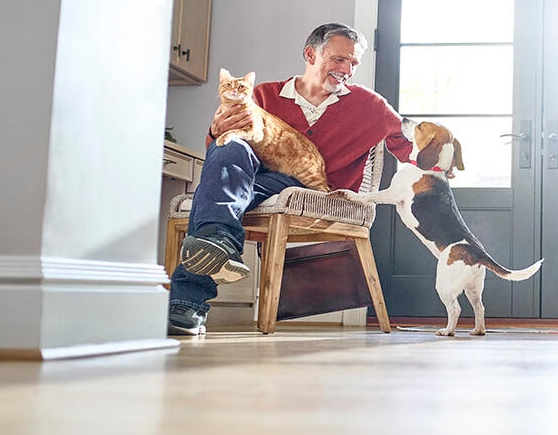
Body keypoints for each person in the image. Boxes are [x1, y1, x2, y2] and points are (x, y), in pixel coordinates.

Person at [167, 23, 414, 335]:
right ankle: (217, 243)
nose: (347, 70)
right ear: (311, 54)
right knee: (229, 152)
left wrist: (442, 159)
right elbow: (219, 159)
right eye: (339, 60)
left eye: (354, 63)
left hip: (313, 190)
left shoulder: (370, 105)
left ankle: (191, 295)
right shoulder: (262, 94)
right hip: (255, 179)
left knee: (213, 202)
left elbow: (410, 145)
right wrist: (217, 131)